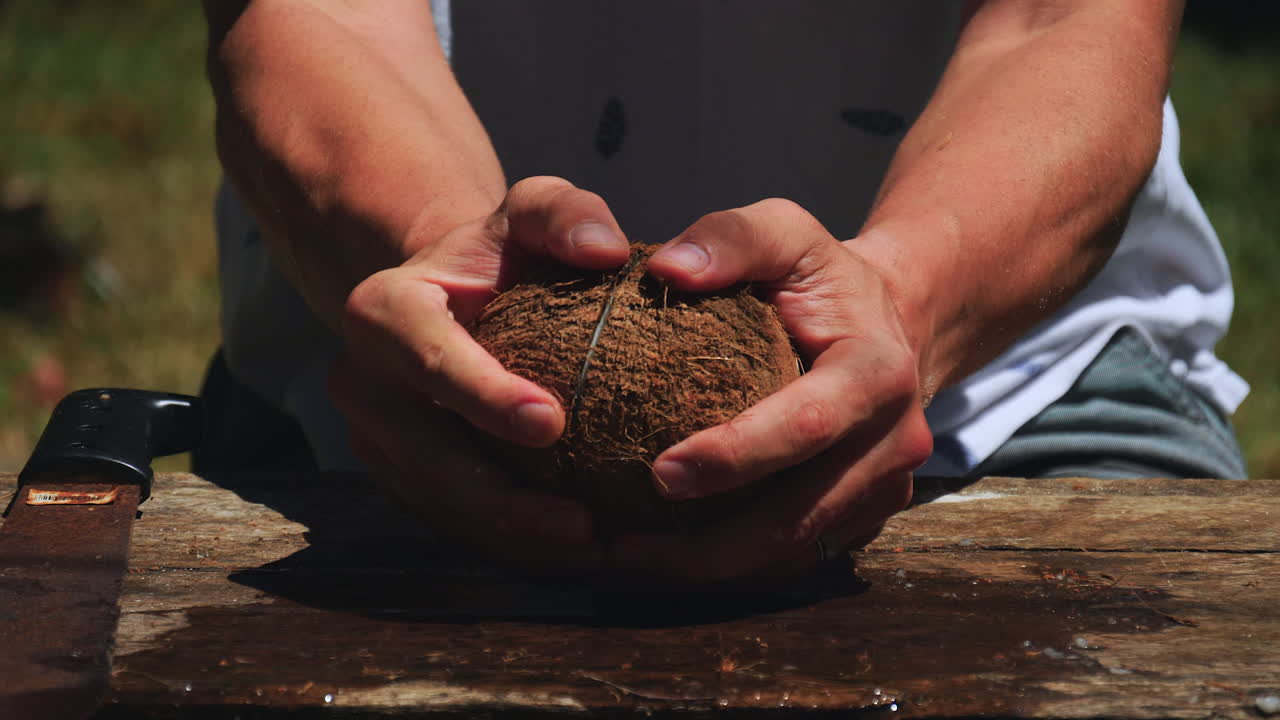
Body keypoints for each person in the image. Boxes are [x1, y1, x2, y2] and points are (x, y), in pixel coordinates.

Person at [198, 0, 1248, 584]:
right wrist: (438, 252)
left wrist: (902, 297)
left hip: (1010, 385)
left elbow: (1064, 20)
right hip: (390, 383)